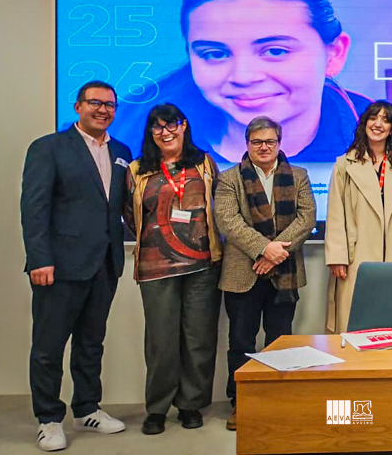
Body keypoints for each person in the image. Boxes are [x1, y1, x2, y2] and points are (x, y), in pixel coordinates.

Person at [108, 0, 392, 162]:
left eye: (274, 51)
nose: (243, 76)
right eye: (215, 54)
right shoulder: (127, 141)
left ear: (334, 54)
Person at [22, 81, 131, 451]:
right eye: (95, 103)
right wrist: (40, 259)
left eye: (110, 105)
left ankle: (87, 407)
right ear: (78, 106)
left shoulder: (121, 151)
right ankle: (49, 418)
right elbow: (34, 209)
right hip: (59, 266)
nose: (103, 110)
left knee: (91, 342)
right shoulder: (48, 148)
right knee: (49, 346)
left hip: (104, 264)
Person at [124, 104, 223, 435]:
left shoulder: (205, 163)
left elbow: (218, 207)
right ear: (151, 132)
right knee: (161, 342)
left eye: (172, 125)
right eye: (157, 127)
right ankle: (157, 409)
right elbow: (129, 213)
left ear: (184, 126)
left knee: (199, 338)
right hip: (155, 267)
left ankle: (191, 404)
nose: (165, 133)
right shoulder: (138, 169)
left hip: (202, 266)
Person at [214, 115, 316, 431]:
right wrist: (264, 249)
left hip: (283, 273)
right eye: (257, 142)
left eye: (269, 141)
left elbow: (307, 217)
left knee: (280, 341)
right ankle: (241, 403)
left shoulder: (298, 175)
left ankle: (277, 400)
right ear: (247, 145)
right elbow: (228, 222)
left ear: (278, 144)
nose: (263, 147)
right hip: (242, 275)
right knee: (241, 341)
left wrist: (273, 255)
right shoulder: (230, 178)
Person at [324, 101, 392, 333]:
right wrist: (337, 256)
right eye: (374, 118)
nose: (378, 124)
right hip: (357, 255)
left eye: (385, 119)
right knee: (356, 320)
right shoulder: (345, 165)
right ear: (364, 124)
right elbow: (335, 214)